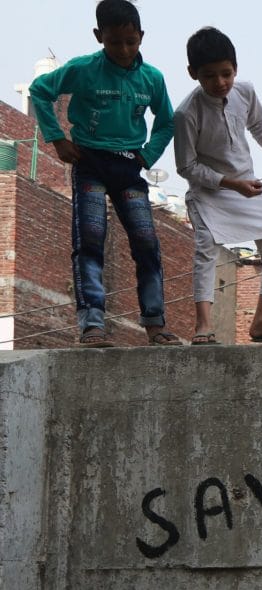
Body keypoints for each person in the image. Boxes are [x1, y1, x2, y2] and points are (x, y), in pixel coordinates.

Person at [28, 0, 180, 347]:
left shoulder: (152, 78)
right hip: (90, 163)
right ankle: (92, 324)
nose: (124, 50)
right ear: (99, 36)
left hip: (129, 167)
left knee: (146, 243)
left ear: (141, 36)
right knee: (90, 241)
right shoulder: (83, 69)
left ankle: (155, 323)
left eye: (131, 41)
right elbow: (40, 90)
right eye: (114, 42)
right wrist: (56, 138)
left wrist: (147, 155)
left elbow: (167, 121)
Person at [174, 27, 262, 345]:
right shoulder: (186, 113)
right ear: (193, 73)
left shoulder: (245, 92)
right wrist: (230, 183)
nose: (220, 83)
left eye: (226, 73)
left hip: (246, 186)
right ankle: (203, 325)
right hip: (209, 192)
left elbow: (260, 125)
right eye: (210, 76)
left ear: (236, 68)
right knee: (206, 249)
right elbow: (187, 167)